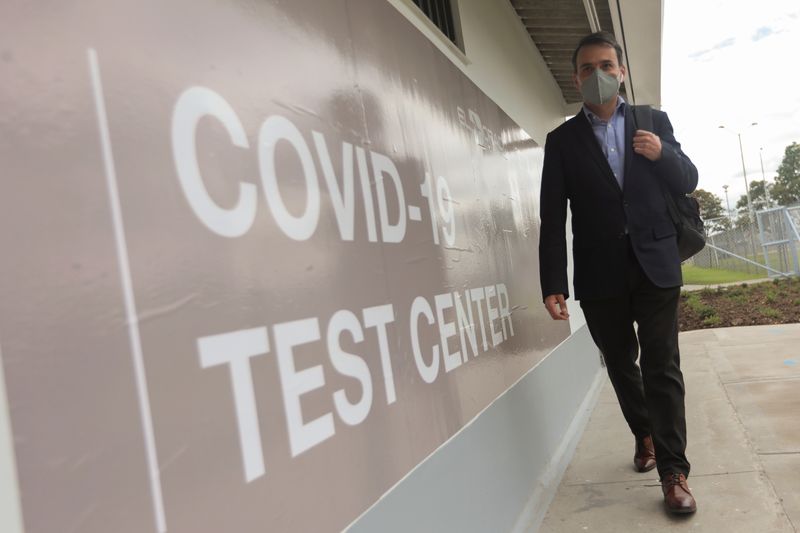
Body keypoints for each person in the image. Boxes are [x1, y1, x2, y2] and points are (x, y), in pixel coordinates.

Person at [538, 31, 698, 514]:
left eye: (607, 66)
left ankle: (674, 472)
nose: (598, 76)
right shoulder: (561, 141)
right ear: (576, 78)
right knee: (620, 360)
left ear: (622, 71)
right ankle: (643, 431)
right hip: (598, 269)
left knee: (661, 366)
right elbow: (553, 215)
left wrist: (661, 154)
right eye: (587, 69)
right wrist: (552, 283)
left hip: (655, 262)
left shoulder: (652, 121)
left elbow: (689, 178)